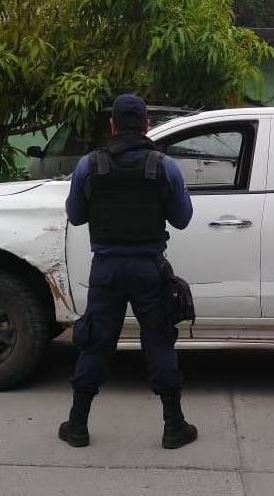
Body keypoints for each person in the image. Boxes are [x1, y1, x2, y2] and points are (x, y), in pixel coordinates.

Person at [58, 94, 196, 449]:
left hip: (106, 270)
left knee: (96, 342)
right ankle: (173, 426)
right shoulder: (164, 166)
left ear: (113, 126)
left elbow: (75, 215)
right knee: (158, 339)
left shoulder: (89, 166)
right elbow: (182, 219)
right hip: (149, 270)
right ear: (147, 125)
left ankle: (77, 425)